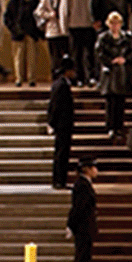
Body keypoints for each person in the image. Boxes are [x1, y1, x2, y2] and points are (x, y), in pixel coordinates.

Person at [95, 12, 132, 143]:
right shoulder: (103, 37)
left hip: (122, 72)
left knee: (121, 101)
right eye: (112, 23)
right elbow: (99, 52)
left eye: (117, 23)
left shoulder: (127, 37)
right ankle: (110, 126)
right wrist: (111, 60)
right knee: (110, 102)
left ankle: (119, 127)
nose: (115, 26)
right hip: (109, 72)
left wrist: (124, 59)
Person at [66, 157, 100, 262]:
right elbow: (78, 208)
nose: (96, 170)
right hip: (83, 228)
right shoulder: (82, 185)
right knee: (82, 260)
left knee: (83, 259)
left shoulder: (84, 184)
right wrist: (71, 225)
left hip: (85, 227)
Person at [62, 0, 97, 86]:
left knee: (90, 54)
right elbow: (64, 8)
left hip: (89, 25)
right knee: (76, 55)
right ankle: (79, 78)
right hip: (74, 25)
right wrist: (64, 26)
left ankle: (91, 77)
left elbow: (97, 4)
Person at [4, 0, 42, 87]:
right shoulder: (14, 2)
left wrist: (38, 31)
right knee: (18, 57)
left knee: (32, 58)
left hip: (32, 33)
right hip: (18, 33)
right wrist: (13, 29)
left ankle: (32, 79)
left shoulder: (36, 3)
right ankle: (18, 79)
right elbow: (7, 18)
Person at [47, 55, 77, 189]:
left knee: (62, 153)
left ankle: (60, 180)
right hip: (62, 124)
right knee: (61, 154)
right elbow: (55, 106)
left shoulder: (59, 84)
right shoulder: (62, 85)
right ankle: (59, 180)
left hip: (62, 124)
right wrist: (52, 123)